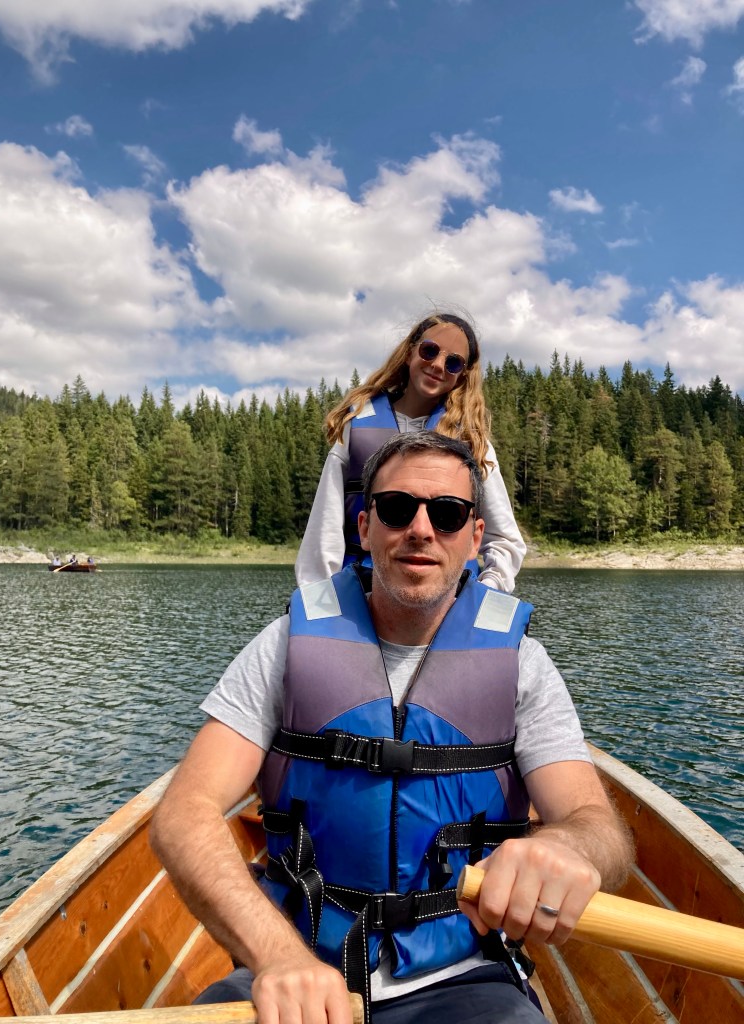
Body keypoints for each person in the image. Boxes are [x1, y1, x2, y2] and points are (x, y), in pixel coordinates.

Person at [151, 432, 633, 1024]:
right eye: (397, 508)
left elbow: (598, 828)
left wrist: (567, 845)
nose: (422, 530)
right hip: (292, 972)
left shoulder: (522, 665)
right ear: (364, 526)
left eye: (448, 513)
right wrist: (277, 956)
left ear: (475, 536)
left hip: (465, 980)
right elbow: (184, 810)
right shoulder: (282, 647)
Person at [295, 311, 526, 593]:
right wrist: (318, 598)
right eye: (429, 351)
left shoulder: (472, 441)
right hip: (361, 592)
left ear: (462, 376)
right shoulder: (354, 430)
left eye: (453, 362)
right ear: (409, 353)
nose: (439, 365)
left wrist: (487, 590)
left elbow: (504, 539)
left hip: (445, 597)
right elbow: (324, 532)